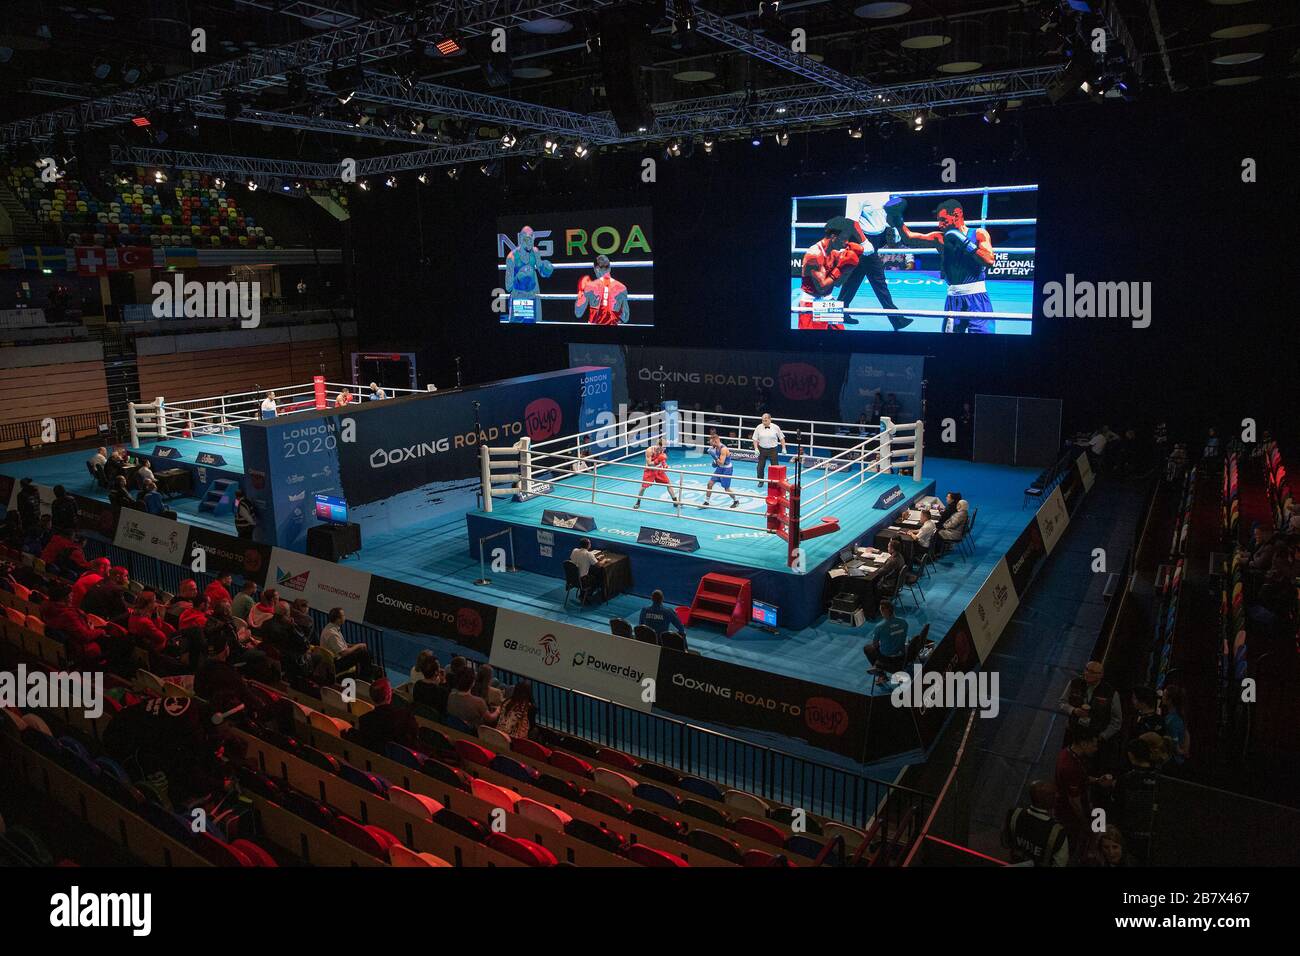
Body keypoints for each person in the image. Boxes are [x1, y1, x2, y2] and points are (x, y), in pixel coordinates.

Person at [898, 198, 996, 333]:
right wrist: (898, 221)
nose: (940, 225)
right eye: (939, 221)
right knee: (950, 345)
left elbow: (990, 260)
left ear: (957, 214)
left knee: (984, 343)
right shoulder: (940, 238)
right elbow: (910, 238)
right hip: (953, 300)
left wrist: (966, 243)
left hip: (978, 299)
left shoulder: (979, 234)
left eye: (943, 220)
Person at [836, 192, 913, 330]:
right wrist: (864, 242)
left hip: (877, 238)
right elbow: (851, 221)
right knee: (878, 280)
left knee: (855, 276)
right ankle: (896, 319)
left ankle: (839, 312)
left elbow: (885, 212)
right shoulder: (855, 194)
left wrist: (893, 227)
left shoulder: (885, 191)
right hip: (861, 238)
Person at [1054, 727, 1113, 860]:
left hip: (1074, 808)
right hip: (1069, 815)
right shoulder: (1070, 767)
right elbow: (1074, 801)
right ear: (1083, 743)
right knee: (1072, 846)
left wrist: (1097, 780)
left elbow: (1081, 778)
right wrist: (1085, 822)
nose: (1096, 748)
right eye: (1094, 745)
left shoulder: (1068, 753)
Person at [795, 216, 861, 331]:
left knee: (841, 340)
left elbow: (837, 284)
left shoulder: (835, 252)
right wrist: (840, 268)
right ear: (833, 237)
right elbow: (821, 287)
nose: (846, 243)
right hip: (812, 303)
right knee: (812, 344)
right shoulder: (814, 255)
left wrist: (849, 268)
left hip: (829, 302)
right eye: (844, 239)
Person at [1058, 660, 1123, 754]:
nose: (1087, 673)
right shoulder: (1075, 683)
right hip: (1073, 731)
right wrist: (1073, 710)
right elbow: (1062, 702)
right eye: (1086, 670)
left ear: (1101, 675)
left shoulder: (1110, 693)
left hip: (1093, 738)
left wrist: (1103, 736)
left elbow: (1116, 721)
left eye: (1092, 672)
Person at [1002, 780, 1069, 867]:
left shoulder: (1014, 814)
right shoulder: (1058, 832)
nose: (1057, 796)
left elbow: (1005, 842)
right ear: (1049, 800)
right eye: (1053, 794)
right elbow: (1060, 864)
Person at [505, 225, 554, 323]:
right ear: (521, 239)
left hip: (532, 295)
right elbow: (508, 287)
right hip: (518, 297)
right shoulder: (512, 257)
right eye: (526, 238)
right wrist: (519, 278)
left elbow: (542, 272)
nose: (529, 242)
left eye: (531, 238)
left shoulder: (535, 252)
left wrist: (546, 270)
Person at [355, 678, 420, 750]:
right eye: (390, 690)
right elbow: (415, 736)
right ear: (388, 696)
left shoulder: (364, 720)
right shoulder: (404, 716)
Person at [574, 253, 629, 325]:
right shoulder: (622, 287)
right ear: (609, 268)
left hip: (594, 333)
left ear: (596, 269)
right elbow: (625, 317)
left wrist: (581, 291)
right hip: (614, 333)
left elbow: (578, 313)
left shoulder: (590, 286)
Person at [319, 607, 374, 678]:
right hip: (336, 664)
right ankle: (365, 679)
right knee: (364, 653)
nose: (345, 617)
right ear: (338, 619)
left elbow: (342, 645)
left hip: (335, 659)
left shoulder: (331, 627)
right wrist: (358, 646)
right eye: (343, 616)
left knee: (363, 651)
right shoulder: (332, 633)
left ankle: (363, 676)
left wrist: (355, 646)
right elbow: (343, 653)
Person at [633, 438, 679, 509]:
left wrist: (665, 465)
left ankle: (675, 502)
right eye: (663, 447)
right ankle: (638, 502)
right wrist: (657, 461)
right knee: (643, 488)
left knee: (668, 484)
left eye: (665, 447)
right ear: (658, 445)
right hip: (650, 470)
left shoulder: (662, 451)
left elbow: (662, 460)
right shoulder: (649, 450)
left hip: (658, 470)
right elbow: (649, 464)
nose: (664, 449)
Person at [864, 599, 908, 673]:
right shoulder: (904, 622)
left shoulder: (879, 626)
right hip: (902, 655)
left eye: (880, 610)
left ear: (883, 611)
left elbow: (875, 645)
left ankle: (880, 671)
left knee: (867, 648)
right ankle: (878, 667)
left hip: (887, 657)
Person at [701, 433, 740, 508]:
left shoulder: (723, 449)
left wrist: (714, 456)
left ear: (716, 441)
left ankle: (736, 500)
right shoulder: (715, 448)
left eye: (712, 443)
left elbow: (721, 462)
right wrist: (714, 462)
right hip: (720, 468)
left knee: (726, 488)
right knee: (710, 484)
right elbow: (718, 463)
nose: (711, 445)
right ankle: (706, 502)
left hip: (727, 469)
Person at [751, 413, 788, 485]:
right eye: (762, 420)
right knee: (760, 467)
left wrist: (784, 448)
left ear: (770, 420)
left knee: (775, 466)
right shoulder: (758, 427)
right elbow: (755, 439)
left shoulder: (776, 427)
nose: (763, 422)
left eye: (765, 420)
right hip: (761, 449)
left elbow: (782, 438)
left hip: (773, 450)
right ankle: (760, 481)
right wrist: (756, 448)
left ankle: (775, 482)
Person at [1160, 685, 1190, 770]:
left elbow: (1175, 746)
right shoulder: (1177, 717)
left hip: (1173, 762)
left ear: (1170, 700)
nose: (1162, 697)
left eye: (1164, 695)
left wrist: (1183, 751)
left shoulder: (1172, 720)